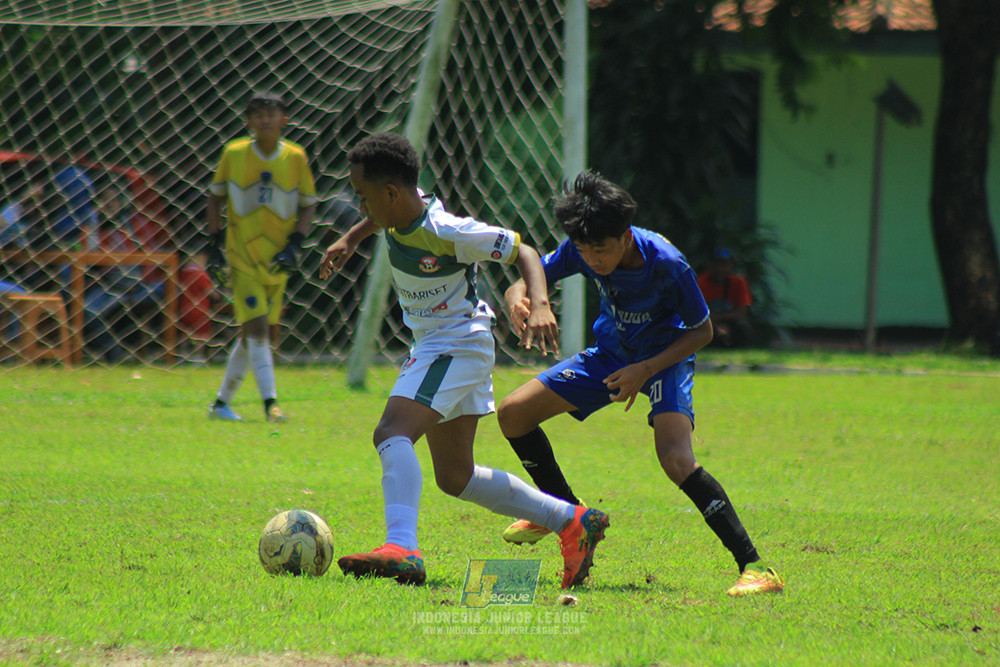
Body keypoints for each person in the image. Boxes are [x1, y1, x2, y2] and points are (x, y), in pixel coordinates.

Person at [320, 132, 609, 588]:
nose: (360, 208)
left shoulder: (446, 231)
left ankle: (402, 546)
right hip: (448, 346)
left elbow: (525, 252)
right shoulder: (399, 212)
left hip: (454, 344)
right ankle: (572, 520)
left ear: (391, 193)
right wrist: (352, 238)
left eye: (362, 198)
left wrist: (539, 302)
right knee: (455, 476)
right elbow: (381, 218)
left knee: (391, 432)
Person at [495, 171, 783, 597]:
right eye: (583, 250)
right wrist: (519, 300)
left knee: (674, 458)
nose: (592, 259)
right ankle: (565, 514)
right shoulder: (583, 248)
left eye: (601, 249)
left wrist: (645, 370)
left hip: (665, 359)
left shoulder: (666, 262)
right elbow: (528, 274)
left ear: (625, 236)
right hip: (611, 356)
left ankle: (756, 567)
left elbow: (702, 331)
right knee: (513, 413)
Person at [205, 91, 317, 423]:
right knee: (258, 330)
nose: (264, 119)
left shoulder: (296, 157)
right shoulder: (234, 153)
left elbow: (309, 203)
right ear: (248, 122)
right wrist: (213, 245)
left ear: (284, 120)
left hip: (276, 259)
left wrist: (296, 243)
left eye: (271, 113)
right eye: (257, 114)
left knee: (256, 332)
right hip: (241, 255)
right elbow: (214, 199)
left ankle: (221, 404)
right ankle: (271, 405)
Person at [697, 247, 754, 348]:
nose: (720, 269)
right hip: (708, 322)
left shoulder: (738, 283)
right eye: (716, 265)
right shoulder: (701, 282)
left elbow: (742, 312)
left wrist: (723, 320)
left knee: (743, 327)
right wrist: (716, 325)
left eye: (724, 265)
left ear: (731, 266)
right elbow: (696, 312)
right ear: (709, 266)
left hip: (730, 321)